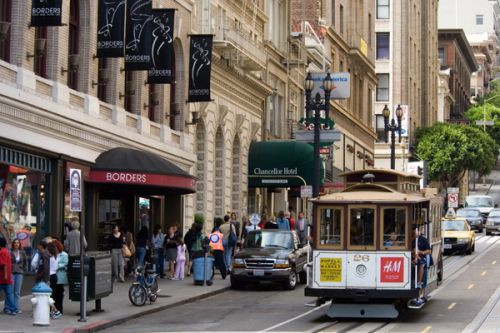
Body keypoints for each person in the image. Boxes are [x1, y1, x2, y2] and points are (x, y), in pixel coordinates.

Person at [410, 229, 432, 307]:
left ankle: (419, 283)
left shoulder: (423, 240)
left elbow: (429, 251)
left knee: (421, 263)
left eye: (417, 231)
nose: (416, 232)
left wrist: (420, 252)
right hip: (412, 258)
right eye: (414, 231)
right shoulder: (410, 239)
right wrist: (413, 252)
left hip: (422, 258)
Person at [0, 237, 16, 315]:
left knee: (9, 294)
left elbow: (4, 264)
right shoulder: (6, 251)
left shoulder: (2, 252)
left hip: (2, 278)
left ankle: (13, 309)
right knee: (9, 294)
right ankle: (13, 309)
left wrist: (5, 275)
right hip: (8, 278)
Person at [10, 238, 26, 314]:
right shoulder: (10, 252)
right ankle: (10, 307)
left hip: (19, 273)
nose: (16, 244)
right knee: (11, 291)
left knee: (17, 292)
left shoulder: (22, 252)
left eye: (18, 243)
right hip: (11, 273)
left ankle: (17, 308)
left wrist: (22, 268)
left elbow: (25, 261)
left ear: (19, 244)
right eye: (15, 243)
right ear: (13, 244)